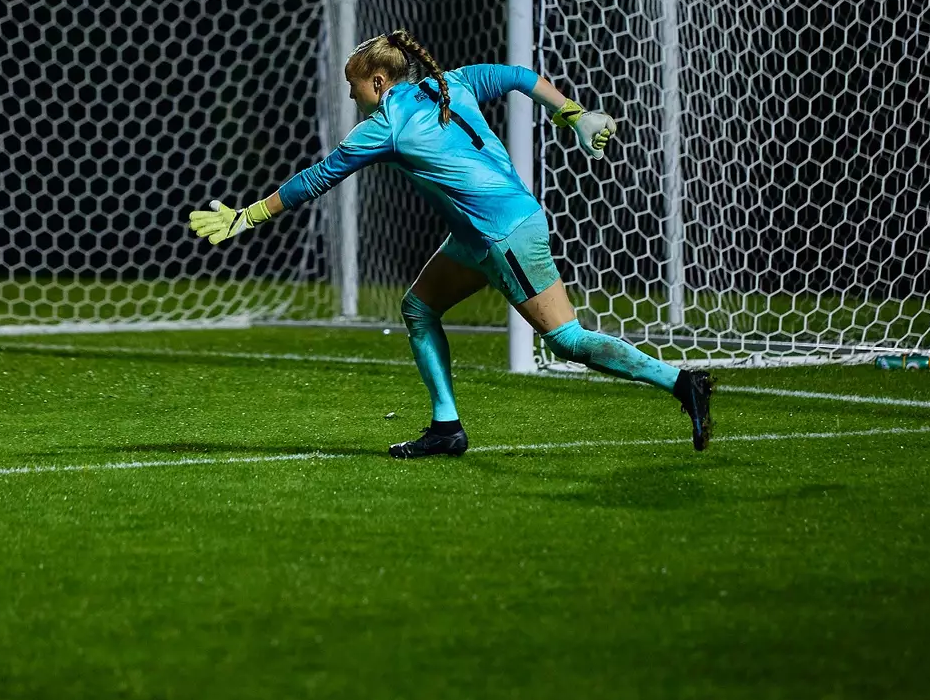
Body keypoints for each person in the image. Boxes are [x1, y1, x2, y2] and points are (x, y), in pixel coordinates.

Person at [187, 29, 712, 459]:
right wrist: (572, 113)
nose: (350, 96)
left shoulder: (387, 125)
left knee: (566, 341)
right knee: (418, 307)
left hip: (502, 235)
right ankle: (446, 429)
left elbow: (317, 178)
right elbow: (517, 75)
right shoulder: (453, 83)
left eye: (353, 86)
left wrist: (245, 217)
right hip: (479, 234)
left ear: (378, 81)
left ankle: (680, 382)